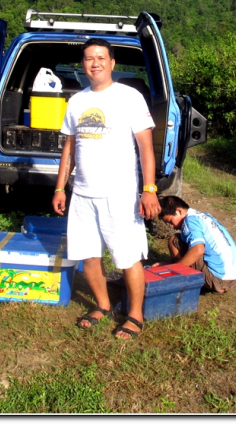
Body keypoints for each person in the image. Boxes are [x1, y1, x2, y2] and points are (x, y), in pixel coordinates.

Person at [52, 38, 160, 340]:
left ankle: (135, 315)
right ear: (83, 64)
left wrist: (149, 189)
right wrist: (61, 187)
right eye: (88, 58)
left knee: (127, 258)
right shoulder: (76, 101)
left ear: (112, 63)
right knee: (88, 256)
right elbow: (69, 149)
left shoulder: (130, 97)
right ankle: (102, 304)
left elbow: (146, 148)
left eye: (101, 57)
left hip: (120, 195)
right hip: (83, 195)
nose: (95, 63)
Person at [157, 195, 236, 293]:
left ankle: (181, 277)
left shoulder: (190, 221)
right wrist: (167, 264)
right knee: (188, 243)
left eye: (170, 221)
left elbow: (198, 250)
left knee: (174, 239)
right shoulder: (204, 216)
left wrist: (173, 269)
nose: (171, 226)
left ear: (179, 211)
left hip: (220, 279)